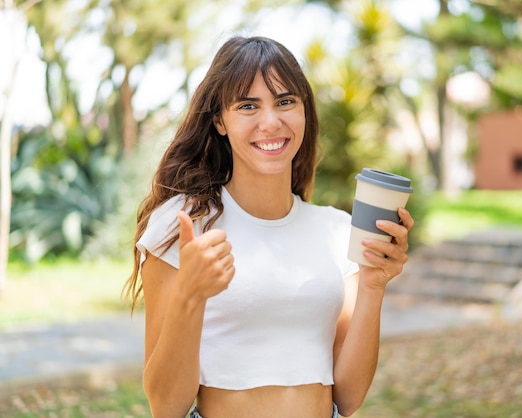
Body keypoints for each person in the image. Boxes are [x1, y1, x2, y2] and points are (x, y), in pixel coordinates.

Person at [123, 35, 414, 418]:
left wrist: (373, 286)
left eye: (285, 101)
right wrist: (189, 297)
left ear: (304, 112)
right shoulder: (183, 225)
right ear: (219, 122)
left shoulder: (336, 231)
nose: (271, 122)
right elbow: (166, 406)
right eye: (248, 105)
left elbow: (349, 396)